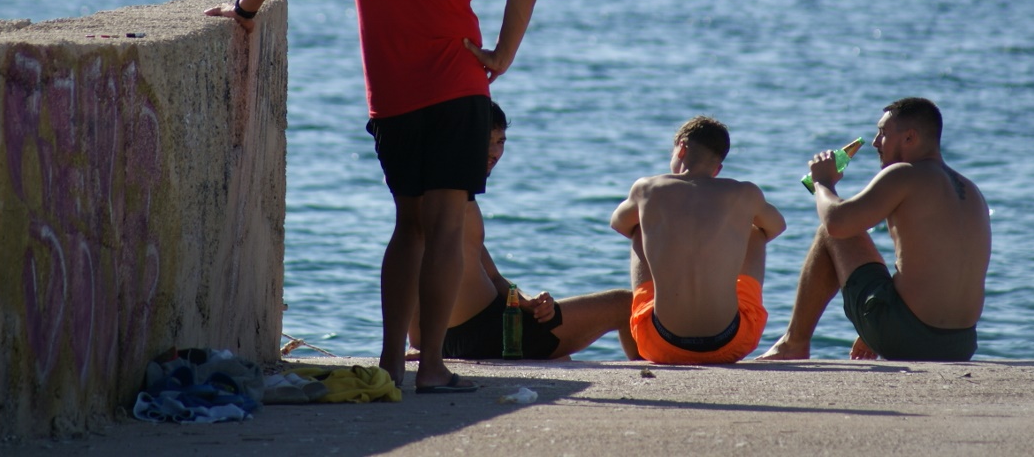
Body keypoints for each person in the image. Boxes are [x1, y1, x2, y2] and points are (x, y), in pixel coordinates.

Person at [205, 0, 538, 393]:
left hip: (393, 96)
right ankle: (432, 368)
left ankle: (391, 361)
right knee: (446, 228)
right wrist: (501, 56)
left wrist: (244, 10)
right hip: (458, 89)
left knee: (408, 226)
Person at [759, 97, 991, 362]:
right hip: (961, 344)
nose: (874, 142)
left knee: (831, 233)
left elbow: (837, 223)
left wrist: (823, 182)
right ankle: (883, 324)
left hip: (911, 337)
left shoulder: (904, 173)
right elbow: (931, 268)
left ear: (909, 137)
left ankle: (793, 343)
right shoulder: (971, 189)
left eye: (882, 133)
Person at [408, 102, 638, 361]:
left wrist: (527, 300)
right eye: (486, 141)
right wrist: (418, 342)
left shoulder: (461, 193)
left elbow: (493, 276)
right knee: (627, 304)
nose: (495, 151)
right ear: (463, 138)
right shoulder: (447, 191)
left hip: (481, 328)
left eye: (500, 141)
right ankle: (651, 376)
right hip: (487, 333)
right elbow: (415, 257)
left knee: (561, 359)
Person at [609, 116, 786, 364]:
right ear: (717, 169)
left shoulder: (647, 188)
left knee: (639, 226)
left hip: (660, 344)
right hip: (731, 343)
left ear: (681, 148)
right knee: (756, 231)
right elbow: (777, 227)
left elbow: (618, 223)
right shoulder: (745, 192)